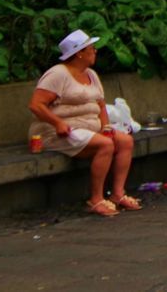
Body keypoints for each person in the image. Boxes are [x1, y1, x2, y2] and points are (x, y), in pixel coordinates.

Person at [28, 30, 140, 216]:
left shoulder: (91, 75)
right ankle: (96, 199)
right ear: (79, 52)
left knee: (125, 141)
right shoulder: (57, 74)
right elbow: (36, 105)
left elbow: (101, 104)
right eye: (91, 48)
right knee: (105, 145)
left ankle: (118, 194)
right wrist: (57, 123)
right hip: (58, 130)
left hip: (90, 127)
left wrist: (106, 126)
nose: (95, 51)